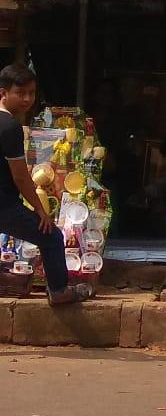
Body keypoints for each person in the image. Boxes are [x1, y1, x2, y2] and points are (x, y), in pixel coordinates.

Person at [0, 64, 91, 306]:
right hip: (5, 206)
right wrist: (40, 210)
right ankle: (59, 291)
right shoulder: (9, 127)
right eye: (20, 93)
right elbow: (21, 177)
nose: (27, 99)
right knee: (51, 236)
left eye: (31, 93)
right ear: (3, 93)